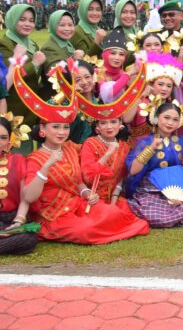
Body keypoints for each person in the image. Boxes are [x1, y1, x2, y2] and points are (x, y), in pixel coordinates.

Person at [13, 62, 150, 244]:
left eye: (65, 127)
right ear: (43, 130)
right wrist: (47, 166)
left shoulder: (71, 147)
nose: (61, 132)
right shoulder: (35, 159)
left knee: (112, 213)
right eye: (56, 127)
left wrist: (86, 193)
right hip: (54, 215)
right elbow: (29, 197)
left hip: (78, 204)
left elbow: (78, 181)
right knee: (86, 229)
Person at [124, 102, 183, 228]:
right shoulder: (145, 142)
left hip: (176, 189)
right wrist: (151, 148)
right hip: (151, 190)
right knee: (156, 216)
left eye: (175, 120)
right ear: (156, 117)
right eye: (166, 118)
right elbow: (133, 170)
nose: (170, 123)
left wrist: (179, 193)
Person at [1, 5, 47, 134]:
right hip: (15, 109)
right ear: (12, 19)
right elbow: (7, 80)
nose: (27, 24)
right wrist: (34, 63)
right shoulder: (4, 44)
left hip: (33, 107)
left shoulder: (32, 44)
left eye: (31, 20)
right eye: (22, 19)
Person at [0, 114, 38, 255]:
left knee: (28, 239)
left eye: (3, 137)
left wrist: (18, 221)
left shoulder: (17, 160)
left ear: (9, 141)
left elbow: (24, 199)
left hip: (11, 218)